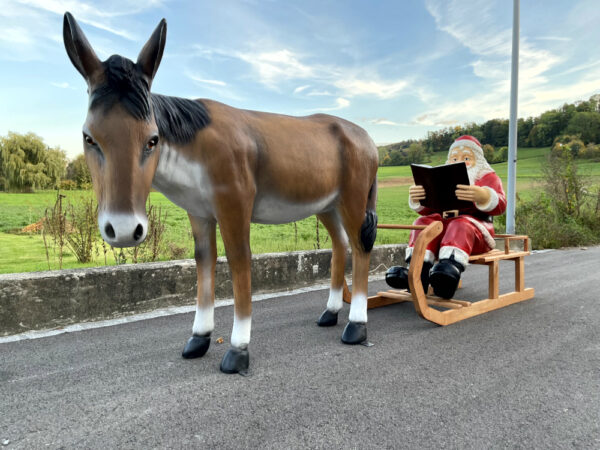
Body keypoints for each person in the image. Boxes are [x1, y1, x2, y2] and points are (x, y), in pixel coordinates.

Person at [385, 135, 506, 299]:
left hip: (477, 231)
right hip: (445, 227)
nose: (459, 161)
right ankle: (416, 272)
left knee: (460, 224)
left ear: (478, 160)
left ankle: (447, 274)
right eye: (455, 158)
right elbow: (427, 211)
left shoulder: (487, 178)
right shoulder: (444, 180)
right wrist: (419, 197)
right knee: (423, 223)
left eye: (466, 158)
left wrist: (483, 195)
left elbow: (501, 204)